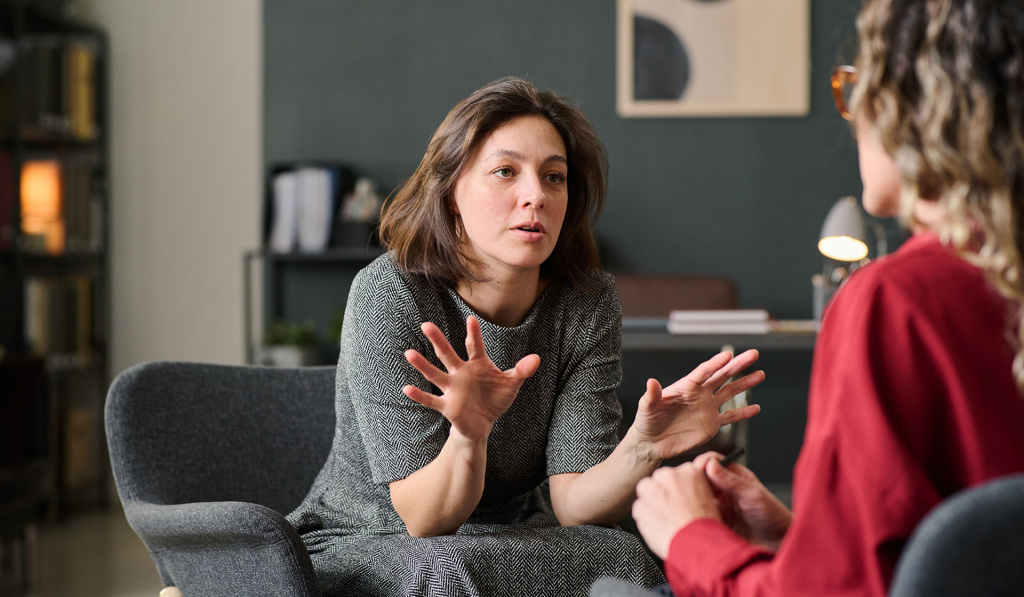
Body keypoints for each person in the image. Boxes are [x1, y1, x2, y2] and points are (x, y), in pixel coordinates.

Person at [281, 76, 765, 597]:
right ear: (450, 195)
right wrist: (469, 433)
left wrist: (641, 449)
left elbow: (574, 503)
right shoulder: (390, 293)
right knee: (451, 567)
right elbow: (426, 519)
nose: (535, 195)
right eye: (505, 172)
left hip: (516, 533)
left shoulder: (586, 299)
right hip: (375, 537)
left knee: (621, 554)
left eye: (553, 177)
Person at [610, 1, 1024, 596]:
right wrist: (803, 536)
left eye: (857, 88)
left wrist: (691, 537)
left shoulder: (893, 302)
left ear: (907, 109)